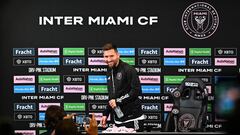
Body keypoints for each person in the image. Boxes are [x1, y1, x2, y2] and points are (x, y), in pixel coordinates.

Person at [101, 43, 144, 131]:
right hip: (118, 120)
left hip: (133, 119)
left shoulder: (128, 69)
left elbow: (136, 91)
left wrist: (118, 101)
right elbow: (112, 95)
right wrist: (106, 113)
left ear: (118, 55)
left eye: (111, 56)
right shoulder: (109, 71)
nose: (108, 59)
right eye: (106, 56)